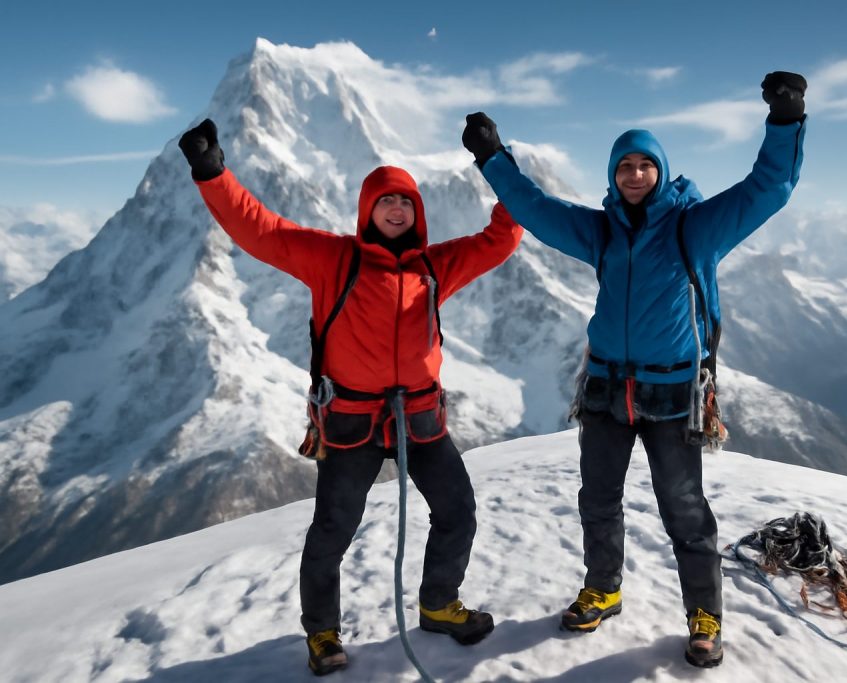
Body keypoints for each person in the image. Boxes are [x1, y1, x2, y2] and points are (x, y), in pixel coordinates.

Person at [461, 71, 808, 668]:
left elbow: (768, 188)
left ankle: (705, 617)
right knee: (598, 499)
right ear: (614, 176)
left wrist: (786, 118)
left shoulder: (694, 228)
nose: (635, 174)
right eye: (625, 167)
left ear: (662, 170)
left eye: (645, 165)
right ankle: (604, 588)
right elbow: (536, 210)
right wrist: (494, 159)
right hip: (604, 390)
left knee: (685, 509)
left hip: (672, 391)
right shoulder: (602, 231)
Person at [178, 119, 523, 676]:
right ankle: (323, 632)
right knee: (333, 529)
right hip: (353, 421)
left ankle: (438, 604)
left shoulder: (434, 266)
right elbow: (260, 230)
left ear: (417, 212)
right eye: (384, 202)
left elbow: (502, 237)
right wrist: (211, 172)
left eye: (405, 202)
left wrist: (495, 160)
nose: (395, 211)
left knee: (457, 509)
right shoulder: (333, 259)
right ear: (367, 210)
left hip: (419, 419)